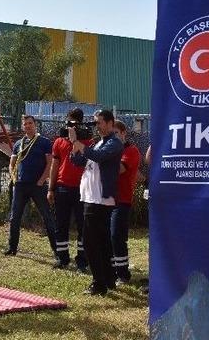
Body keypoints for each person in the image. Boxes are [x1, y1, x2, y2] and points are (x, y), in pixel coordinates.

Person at [71, 109, 123, 296]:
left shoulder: (115, 143)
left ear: (110, 123)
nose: (97, 126)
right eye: (95, 122)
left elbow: (99, 157)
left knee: (91, 242)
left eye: (100, 122)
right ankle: (108, 280)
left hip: (99, 198)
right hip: (91, 197)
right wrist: (74, 144)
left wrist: (79, 144)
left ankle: (98, 283)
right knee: (102, 241)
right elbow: (77, 161)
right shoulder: (97, 142)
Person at [47, 108, 93, 272]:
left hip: (82, 189)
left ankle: (82, 261)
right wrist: (51, 188)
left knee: (83, 226)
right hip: (62, 188)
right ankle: (62, 258)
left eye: (75, 123)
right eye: (69, 123)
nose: (71, 127)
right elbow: (54, 165)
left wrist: (76, 141)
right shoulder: (59, 141)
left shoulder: (87, 142)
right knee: (61, 224)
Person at [4, 115, 56, 257]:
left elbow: (50, 163)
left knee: (47, 217)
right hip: (20, 185)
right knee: (15, 217)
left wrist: (42, 180)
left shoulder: (44, 142)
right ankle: (12, 248)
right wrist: (14, 177)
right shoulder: (18, 144)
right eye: (25, 124)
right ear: (22, 126)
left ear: (35, 125)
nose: (28, 126)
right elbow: (12, 163)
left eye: (30, 123)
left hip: (37, 185)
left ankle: (57, 250)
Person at [111, 120, 141, 285]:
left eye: (116, 133)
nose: (114, 137)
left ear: (123, 133)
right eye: (111, 134)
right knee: (107, 237)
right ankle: (111, 270)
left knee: (117, 236)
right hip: (106, 199)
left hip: (122, 200)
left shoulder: (131, 151)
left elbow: (118, 170)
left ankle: (123, 273)